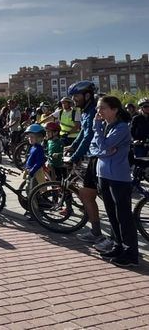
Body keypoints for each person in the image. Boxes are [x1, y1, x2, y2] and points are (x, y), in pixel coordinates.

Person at [90, 95, 137, 267]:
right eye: (98, 108)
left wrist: (101, 142)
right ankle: (118, 246)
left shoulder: (122, 127)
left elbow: (101, 145)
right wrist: (104, 149)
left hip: (118, 177)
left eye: (102, 108)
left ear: (114, 109)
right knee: (111, 214)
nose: (99, 111)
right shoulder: (106, 126)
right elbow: (95, 148)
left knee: (123, 216)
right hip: (103, 174)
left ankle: (131, 253)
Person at [64, 80, 103, 244]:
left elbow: (88, 137)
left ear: (87, 95)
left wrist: (75, 156)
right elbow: (82, 133)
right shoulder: (86, 111)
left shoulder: (93, 110)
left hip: (97, 158)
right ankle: (96, 231)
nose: (74, 100)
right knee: (88, 195)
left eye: (76, 96)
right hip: (93, 157)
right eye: (72, 97)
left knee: (88, 195)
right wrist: (72, 146)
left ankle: (97, 232)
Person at [23, 124, 47, 218]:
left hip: (36, 173)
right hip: (31, 172)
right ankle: (33, 208)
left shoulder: (39, 149)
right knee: (28, 190)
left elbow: (40, 161)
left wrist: (32, 170)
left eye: (32, 137)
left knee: (31, 192)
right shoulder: (33, 147)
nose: (30, 139)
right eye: (29, 137)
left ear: (39, 138)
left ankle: (35, 213)